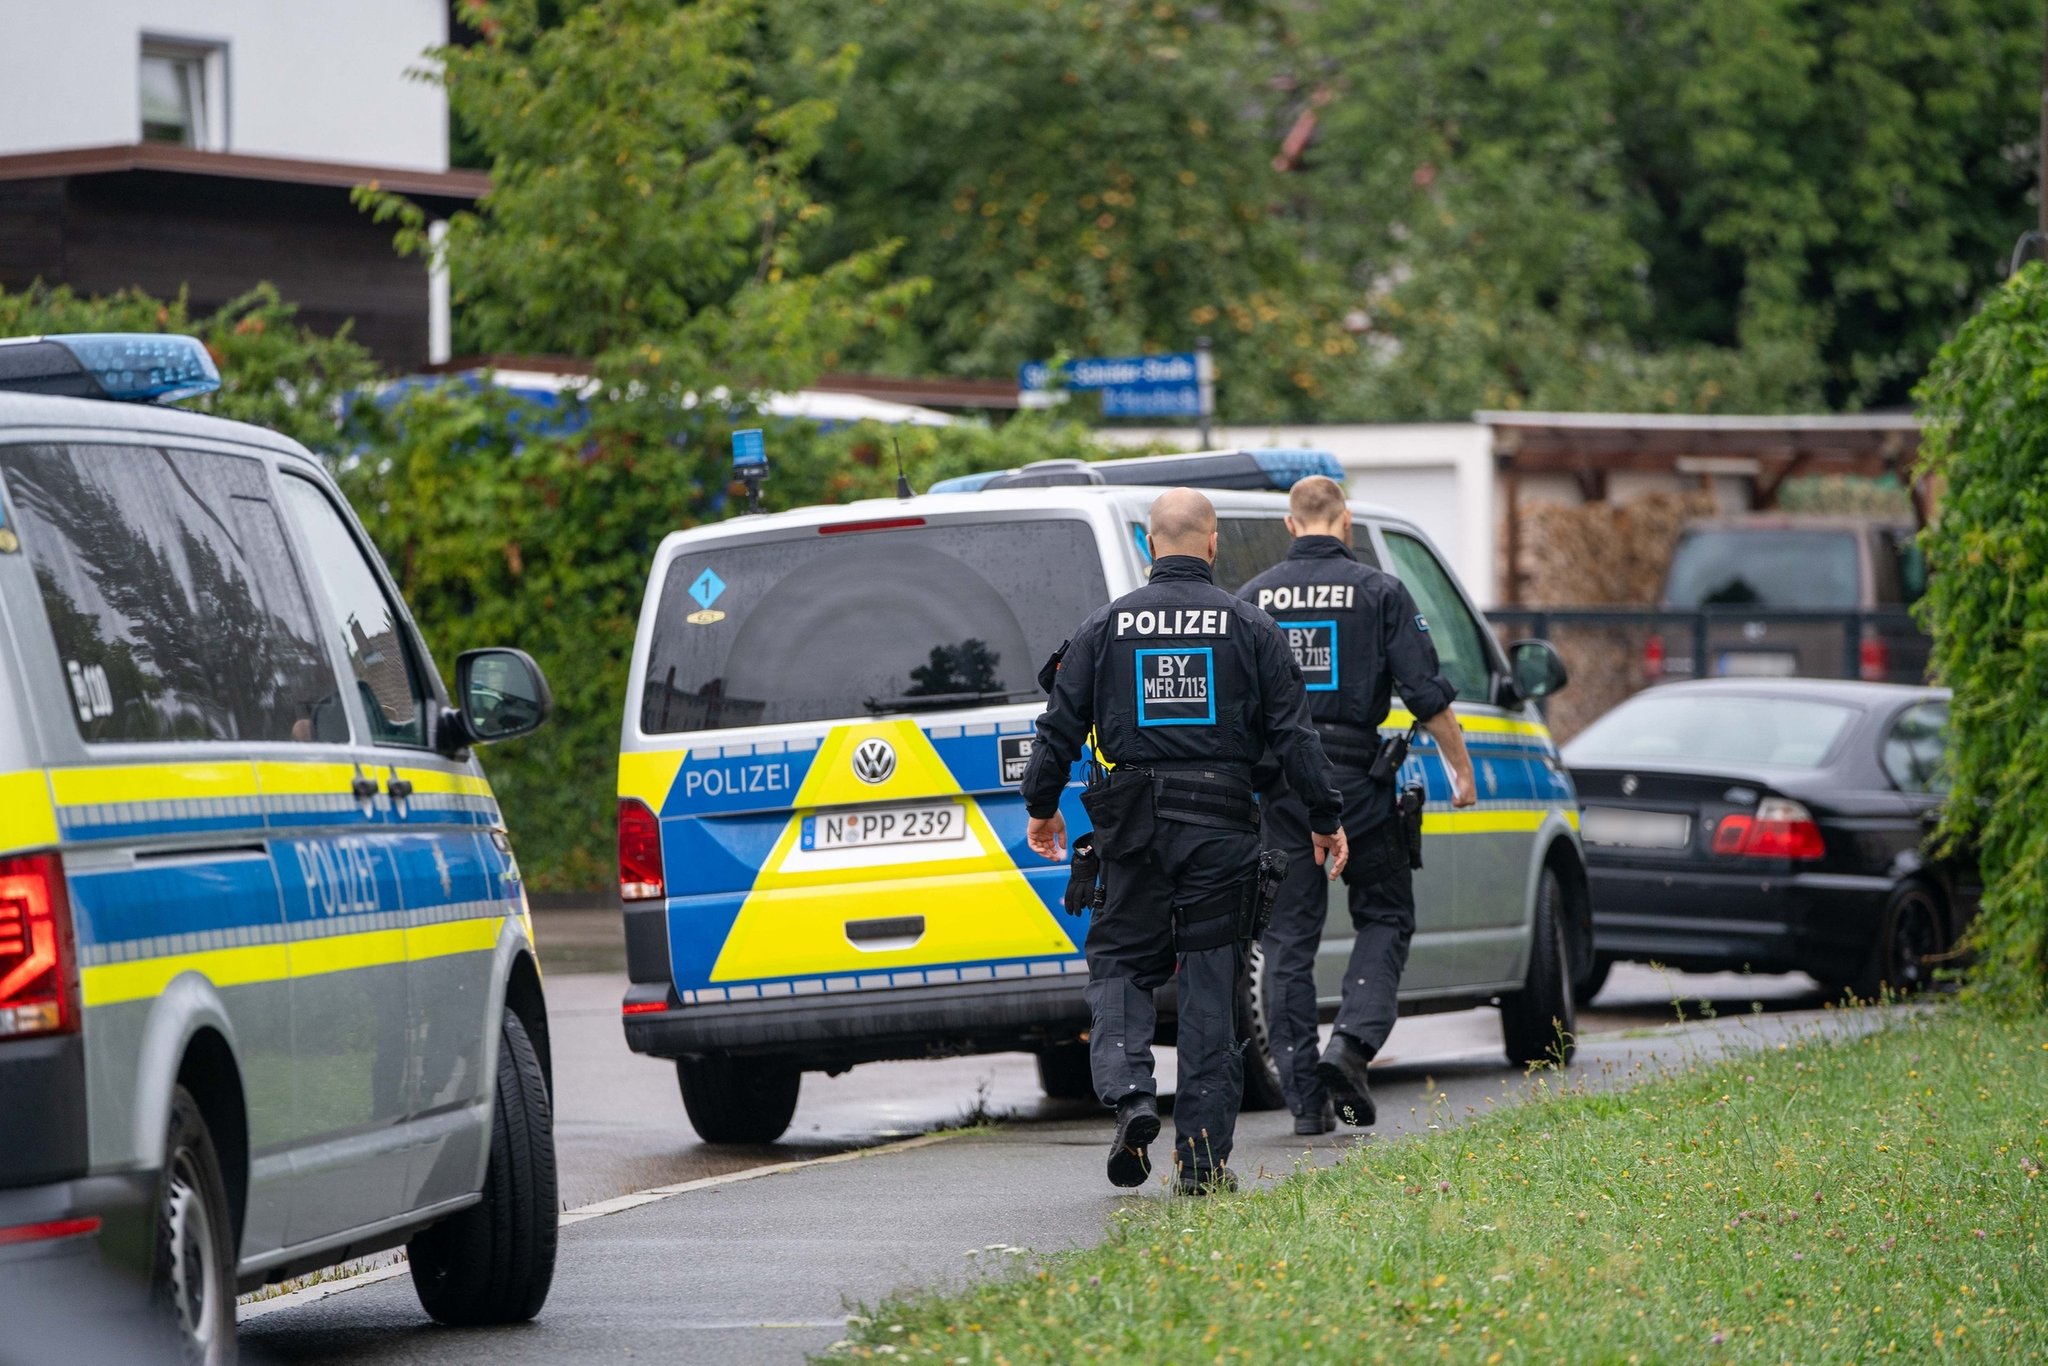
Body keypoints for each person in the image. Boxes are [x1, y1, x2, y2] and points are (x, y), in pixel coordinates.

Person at [1020, 487, 1348, 1194]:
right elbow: (1295, 736)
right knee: (1209, 992)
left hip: (1132, 832)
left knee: (1119, 963)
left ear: (1147, 546)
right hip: (1221, 832)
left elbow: (1056, 729)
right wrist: (1326, 816)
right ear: (1212, 542)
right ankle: (1201, 1167)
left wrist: (1042, 808)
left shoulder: (1103, 626)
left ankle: (1132, 1094)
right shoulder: (1251, 627)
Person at [1237, 475, 1477, 1134]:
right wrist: (1461, 770)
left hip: (1284, 788)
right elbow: (1427, 694)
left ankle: (1305, 1104)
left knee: (1288, 941)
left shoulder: (1254, 598)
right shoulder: (1380, 590)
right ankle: (1350, 1045)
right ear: (1345, 522)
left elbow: (1234, 706)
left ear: (1291, 526)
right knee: (1386, 916)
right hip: (1358, 784)